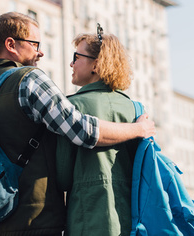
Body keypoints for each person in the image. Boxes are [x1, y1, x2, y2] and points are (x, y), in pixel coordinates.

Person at [0, 12, 155, 236]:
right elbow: (83, 131)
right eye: (35, 44)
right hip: (34, 221)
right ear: (11, 44)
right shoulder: (29, 79)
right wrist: (139, 129)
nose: (40, 52)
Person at [55, 26, 138, 236]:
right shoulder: (135, 109)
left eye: (77, 57)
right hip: (132, 219)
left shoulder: (71, 107)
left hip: (87, 217)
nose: (71, 63)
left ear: (97, 64)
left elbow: (62, 176)